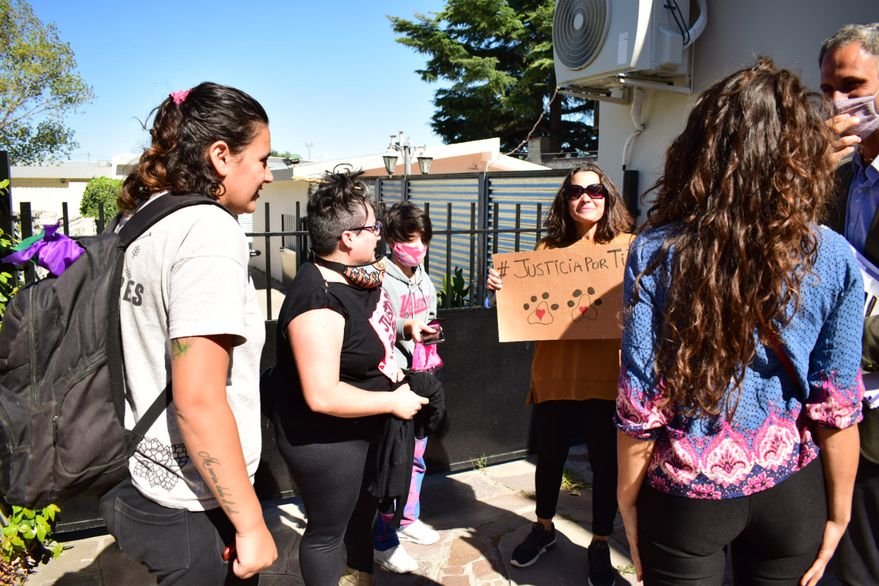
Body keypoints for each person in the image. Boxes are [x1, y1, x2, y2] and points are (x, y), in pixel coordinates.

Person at [616, 58, 863, 586]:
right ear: (801, 152)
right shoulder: (835, 255)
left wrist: (627, 498)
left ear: (703, 145)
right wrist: (839, 513)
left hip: (686, 489)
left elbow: (642, 402)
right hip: (790, 487)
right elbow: (838, 404)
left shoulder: (658, 252)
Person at [97, 82, 278, 583]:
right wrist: (251, 523)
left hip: (138, 474)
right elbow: (198, 398)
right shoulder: (208, 231)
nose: (267, 174)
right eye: (262, 159)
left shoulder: (143, 216)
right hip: (192, 501)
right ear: (221, 156)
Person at [269, 169, 428, 586]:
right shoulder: (318, 300)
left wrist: (405, 329)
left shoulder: (356, 277)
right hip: (327, 438)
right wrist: (393, 402)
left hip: (362, 427)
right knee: (327, 533)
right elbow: (322, 394)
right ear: (348, 238)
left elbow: (360, 336)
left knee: (362, 514)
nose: (381, 235)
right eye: (374, 228)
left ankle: (360, 577)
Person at [486, 163, 633, 586]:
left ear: (608, 197)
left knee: (606, 466)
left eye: (595, 189)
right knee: (549, 458)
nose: (585, 197)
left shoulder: (629, 248)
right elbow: (522, 310)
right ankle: (544, 527)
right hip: (554, 374)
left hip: (607, 376)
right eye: (575, 192)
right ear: (564, 202)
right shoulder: (545, 252)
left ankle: (601, 541)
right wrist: (500, 287)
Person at [820, 23, 879, 584]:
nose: (839, 103)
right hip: (839, 407)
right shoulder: (832, 176)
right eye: (828, 91)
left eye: (853, 84)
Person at [372, 202, 442, 574]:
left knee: (417, 454)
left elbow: (426, 316)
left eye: (423, 239)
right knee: (392, 463)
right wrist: (406, 327)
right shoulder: (379, 275)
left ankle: (407, 519)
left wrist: (430, 330)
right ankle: (383, 538)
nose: (418, 246)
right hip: (395, 380)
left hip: (424, 374)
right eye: (411, 240)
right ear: (393, 240)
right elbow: (379, 323)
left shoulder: (421, 274)